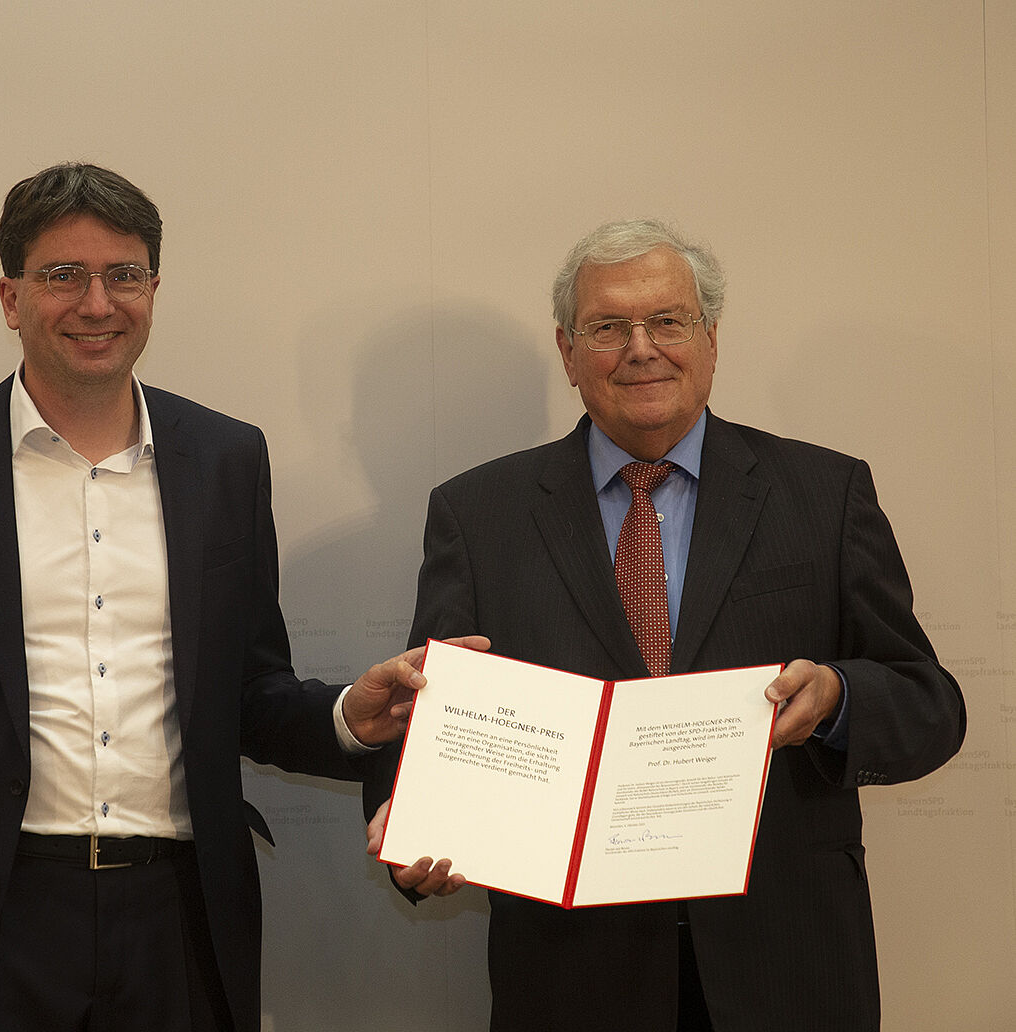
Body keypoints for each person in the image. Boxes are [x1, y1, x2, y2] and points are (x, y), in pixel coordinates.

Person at [0, 162, 478, 1032]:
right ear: (12, 298)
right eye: (64, 276)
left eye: (124, 275)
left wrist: (354, 712)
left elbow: (249, 694)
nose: (98, 303)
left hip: (182, 925)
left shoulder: (225, 460)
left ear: (154, 290)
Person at [364, 218, 965, 1032]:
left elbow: (931, 706)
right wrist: (414, 831)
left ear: (710, 339)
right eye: (607, 327)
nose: (640, 348)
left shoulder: (824, 495)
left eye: (668, 322)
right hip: (572, 979)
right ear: (569, 351)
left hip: (788, 964)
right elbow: (421, 716)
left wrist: (838, 697)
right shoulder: (479, 515)